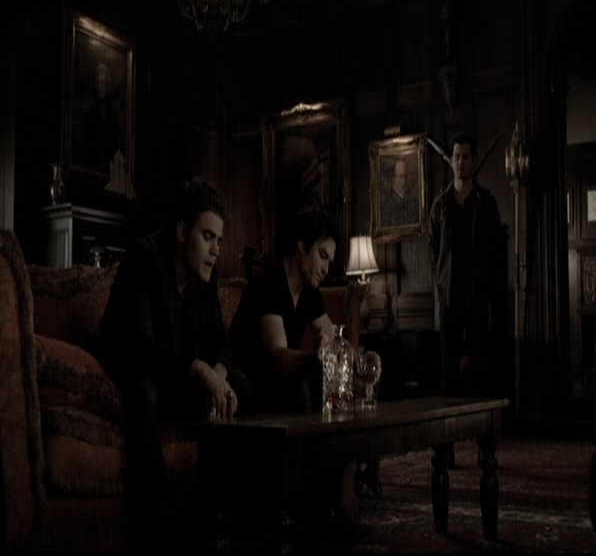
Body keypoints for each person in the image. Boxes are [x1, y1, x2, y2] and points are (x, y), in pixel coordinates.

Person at [95, 177, 250, 548]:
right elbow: (139, 345)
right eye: (208, 237)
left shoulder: (205, 276)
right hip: (133, 369)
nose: (216, 250)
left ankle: (234, 512)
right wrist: (199, 369)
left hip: (173, 376)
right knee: (145, 389)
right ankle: (153, 528)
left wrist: (219, 374)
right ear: (182, 231)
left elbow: (222, 344)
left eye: (219, 240)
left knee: (240, 384)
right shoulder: (143, 258)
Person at [228, 206, 381, 537]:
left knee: (333, 393)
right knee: (304, 385)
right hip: (248, 386)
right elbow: (276, 357)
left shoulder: (310, 293)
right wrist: (318, 359)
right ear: (301, 245)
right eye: (322, 256)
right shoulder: (269, 282)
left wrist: (361, 360)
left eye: (330, 259)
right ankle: (301, 514)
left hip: (279, 385)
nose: (327, 267)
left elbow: (335, 342)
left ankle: (327, 510)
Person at [427, 132, 506, 464]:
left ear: (474, 161)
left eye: (466, 157)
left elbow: (496, 252)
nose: (461, 162)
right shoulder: (441, 204)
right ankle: (444, 450)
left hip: (478, 299)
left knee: (480, 372)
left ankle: (485, 450)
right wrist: (441, 283)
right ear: (452, 161)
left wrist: (491, 294)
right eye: (457, 157)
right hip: (450, 299)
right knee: (449, 372)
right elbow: (432, 249)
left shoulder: (486, 203)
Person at [75, 62, 124, 174]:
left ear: (107, 86)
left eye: (102, 83)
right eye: (98, 82)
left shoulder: (112, 118)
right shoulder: (89, 113)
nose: (99, 87)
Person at [382, 158, 419, 226]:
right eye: (400, 177)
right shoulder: (387, 205)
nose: (404, 181)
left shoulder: (413, 201)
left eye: (405, 176)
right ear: (393, 179)